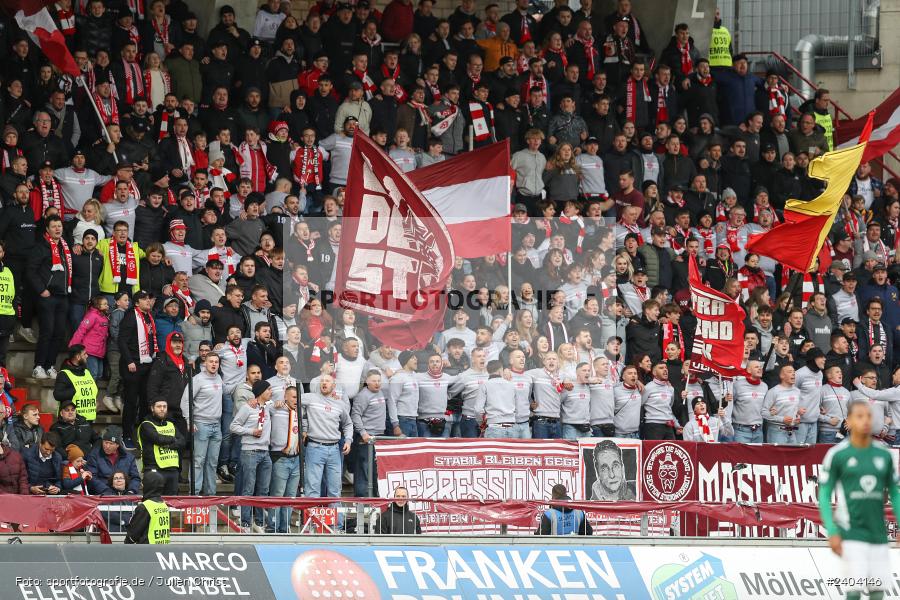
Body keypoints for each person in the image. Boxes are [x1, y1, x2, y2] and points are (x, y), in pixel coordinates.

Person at [818, 399, 900, 600]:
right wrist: (832, 531)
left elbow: (895, 493)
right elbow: (824, 494)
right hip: (850, 533)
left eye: (869, 416)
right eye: (860, 416)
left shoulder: (884, 455)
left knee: (877, 592)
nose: (865, 421)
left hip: (878, 534)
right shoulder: (838, 454)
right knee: (854, 592)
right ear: (849, 421)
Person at [231, 379, 274, 533]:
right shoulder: (247, 408)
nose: (271, 392)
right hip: (250, 451)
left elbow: (281, 402)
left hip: (265, 452)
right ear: (261, 392)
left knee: (263, 489)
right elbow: (233, 426)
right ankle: (245, 523)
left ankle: (259, 522)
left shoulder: (268, 406)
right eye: (268, 389)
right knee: (248, 488)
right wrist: (251, 432)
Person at [301, 374, 351, 499]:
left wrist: (348, 440)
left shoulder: (340, 404)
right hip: (315, 447)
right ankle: (312, 513)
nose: (324, 383)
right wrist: (304, 427)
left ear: (333, 386)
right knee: (312, 489)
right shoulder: (310, 398)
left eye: (327, 381)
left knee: (335, 490)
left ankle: (336, 513)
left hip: (334, 449)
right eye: (322, 381)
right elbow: (291, 399)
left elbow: (348, 424)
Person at [181, 353, 224, 495]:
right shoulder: (197, 379)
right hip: (201, 424)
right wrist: (189, 420)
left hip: (216, 425)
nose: (214, 364)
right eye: (211, 361)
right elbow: (185, 401)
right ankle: (194, 495)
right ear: (205, 363)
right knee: (198, 461)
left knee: (212, 463)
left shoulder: (219, 378)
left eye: (216, 362)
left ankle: (210, 495)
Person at [137, 397, 185, 495]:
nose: (162, 409)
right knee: (152, 500)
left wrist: (169, 446)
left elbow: (182, 441)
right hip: (153, 468)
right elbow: (158, 439)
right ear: (152, 408)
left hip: (172, 469)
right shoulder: (146, 425)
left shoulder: (171, 424)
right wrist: (173, 439)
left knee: (172, 502)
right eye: (159, 406)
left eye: (164, 406)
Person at [85, 426, 141, 495]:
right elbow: (92, 477)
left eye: (111, 443)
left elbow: (135, 478)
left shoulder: (129, 457)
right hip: (102, 494)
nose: (107, 446)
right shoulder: (94, 456)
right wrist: (108, 491)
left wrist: (131, 491)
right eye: (105, 442)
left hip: (125, 494)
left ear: (117, 445)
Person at [53, 345, 98, 423]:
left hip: (88, 420)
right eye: (84, 354)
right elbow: (57, 395)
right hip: (71, 421)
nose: (87, 356)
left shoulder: (86, 372)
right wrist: (74, 390)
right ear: (78, 357)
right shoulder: (64, 374)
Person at [124, 470, 170, 544]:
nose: (141, 486)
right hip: (162, 548)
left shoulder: (145, 507)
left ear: (148, 485)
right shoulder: (164, 505)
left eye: (143, 483)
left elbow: (133, 534)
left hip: (147, 549)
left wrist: (127, 542)